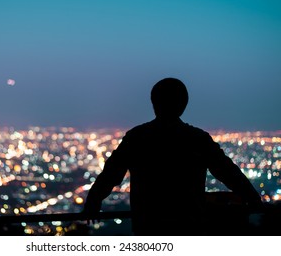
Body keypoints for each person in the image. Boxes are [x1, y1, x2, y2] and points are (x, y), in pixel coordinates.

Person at [83, 77, 263, 235]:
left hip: (149, 227)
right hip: (189, 226)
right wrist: (252, 198)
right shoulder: (197, 139)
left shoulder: (137, 138)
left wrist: (93, 200)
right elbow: (227, 172)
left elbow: (111, 174)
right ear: (183, 104)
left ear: (154, 103)